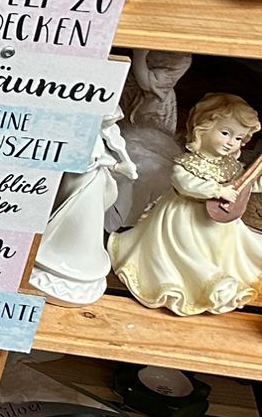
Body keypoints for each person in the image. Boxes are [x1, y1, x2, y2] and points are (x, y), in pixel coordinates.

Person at [111, 91, 262, 315]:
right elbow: (184, 184)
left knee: (230, 250)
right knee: (186, 251)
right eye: (225, 133)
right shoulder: (187, 163)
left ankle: (220, 270)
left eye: (239, 138)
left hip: (219, 225)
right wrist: (217, 190)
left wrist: (256, 180)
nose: (232, 143)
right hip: (184, 220)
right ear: (202, 129)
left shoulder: (230, 165)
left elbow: (245, 186)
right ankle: (201, 280)